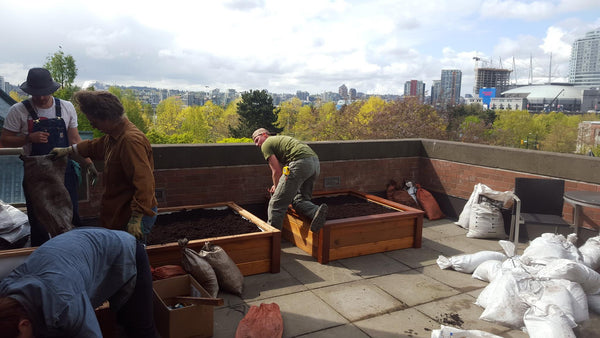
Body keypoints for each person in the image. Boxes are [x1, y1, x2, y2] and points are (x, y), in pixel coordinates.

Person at [0, 227, 157, 337]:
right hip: (78, 251)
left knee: (139, 330)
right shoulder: (6, 292)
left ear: (24, 325)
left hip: (125, 251)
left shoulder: (64, 301)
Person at [0, 67, 96, 246]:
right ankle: (40, 253)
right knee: (38, 218)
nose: (42, 98)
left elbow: (74, 138)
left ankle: (73, 250)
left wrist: (88, 163)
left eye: (45, 93)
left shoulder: (66, 107)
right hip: (36, 172)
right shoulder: (18, 111)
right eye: (37, 94)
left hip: (64, 168)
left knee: (71, 212)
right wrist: (28, 138)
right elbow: (4, 140)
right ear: (29, 91)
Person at [50, 91, 157, 241]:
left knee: (130, 256)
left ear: (107, 118)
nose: (92, 124)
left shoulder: (130, 141)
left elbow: (144, 182)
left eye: (94, 121)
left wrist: (136, 218)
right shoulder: (114, 136)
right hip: (120, 212)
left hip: (131, 215)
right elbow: (94, 146)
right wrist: (68, 150)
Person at [252, 128, 327, 232]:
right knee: (301, 200)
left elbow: (276, 171)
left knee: (276, 205)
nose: (256, 145)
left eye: (256, 140)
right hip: (314, 164)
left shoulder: (266, 144)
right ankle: (315, 212)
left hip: (300, 164)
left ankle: (272, 239)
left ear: (264, 134)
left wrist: (277, 190)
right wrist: (277, 185)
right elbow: (284, 171)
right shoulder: (281, 140)